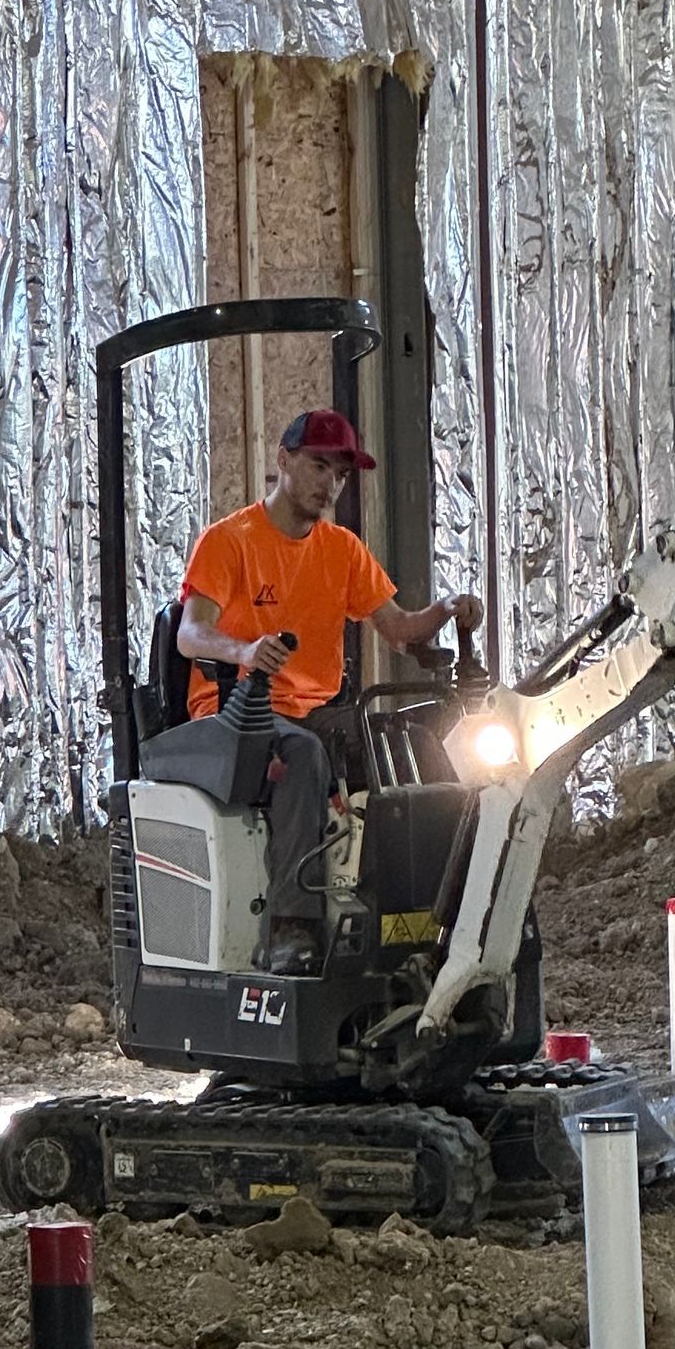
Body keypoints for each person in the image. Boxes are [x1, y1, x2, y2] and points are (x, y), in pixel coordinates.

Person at [178, 407, 483, 973]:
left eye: (341, 475)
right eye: (321, 467)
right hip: (238, 711)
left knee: (409, 741)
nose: (331, 485)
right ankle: (291, 928)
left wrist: (446, 610)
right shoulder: (229, 542)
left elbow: (397, 628)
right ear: (284, 460)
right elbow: (190, 634)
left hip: (315, 709)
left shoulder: (341, 549)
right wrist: (243, 652)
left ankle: (432, 909)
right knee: (301, 755)